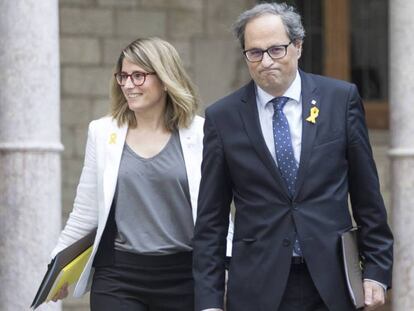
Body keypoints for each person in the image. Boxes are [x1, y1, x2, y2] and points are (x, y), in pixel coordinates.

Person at [193, 3, 393, 311]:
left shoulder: (340, 100)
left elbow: (366, 192)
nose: (266, 61)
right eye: (255, 53)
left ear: (297, 46)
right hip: (257, 284)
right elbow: (211, 219)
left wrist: (377, 271)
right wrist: (209, 300)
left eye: (276, 49)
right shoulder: (223, 117)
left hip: (333, 278)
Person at [50, 37, 232, 311]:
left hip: (185, 277)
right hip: (119, 277)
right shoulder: (102, 133)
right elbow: (85, 213)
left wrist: (228, 266)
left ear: (165, 78)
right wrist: (56, 266)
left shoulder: (202, 134)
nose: (128, 84)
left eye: (138, 76)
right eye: (123, 76)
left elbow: (217, 212)